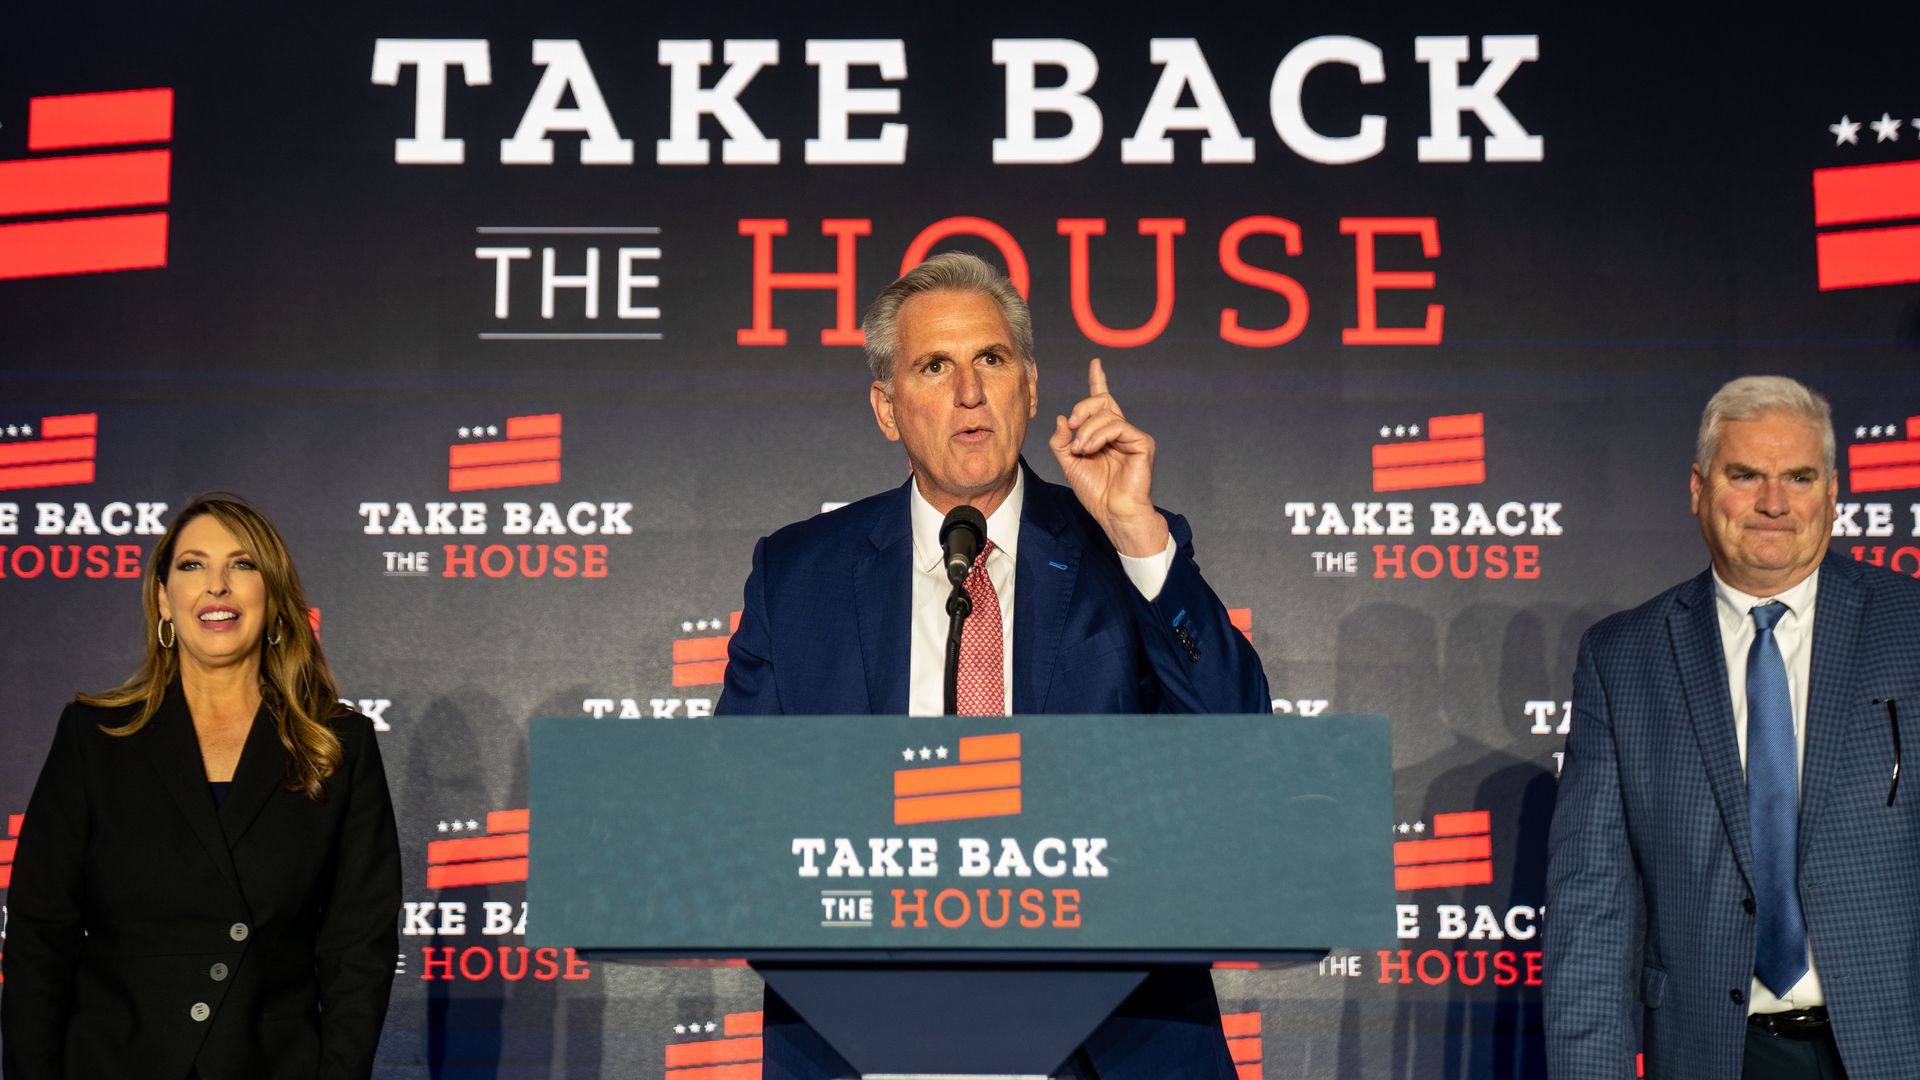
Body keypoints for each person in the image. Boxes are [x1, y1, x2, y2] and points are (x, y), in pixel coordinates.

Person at [718, 251, 1269, 1078]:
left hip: (1106, 1043)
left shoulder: (1121, 544)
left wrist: (1140, 539)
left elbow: (1242, 737)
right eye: (934, 366)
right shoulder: (800, 576)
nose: (968, 393)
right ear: (886, 408)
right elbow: (734, 823)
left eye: (992, 360)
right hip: (866, 1043)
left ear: (1031, 388)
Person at [1544, 377, 1920, 1080]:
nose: (1773, 502)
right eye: (1745, 475)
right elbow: (1591, 913)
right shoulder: (1623, 658)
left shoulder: (1911, 627)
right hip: (1713, 1055)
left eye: (1798, 477)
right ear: (1697, 488)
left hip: (1893, 1048)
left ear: (1833, 491)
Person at [2, 494, 402, 1080]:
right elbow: (41, 936)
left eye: (241, 565)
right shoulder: (95, 736)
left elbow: (357, 951)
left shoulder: (339, 743)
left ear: (274, 597)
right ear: (164, 598)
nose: (216, 586)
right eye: (192, 565)